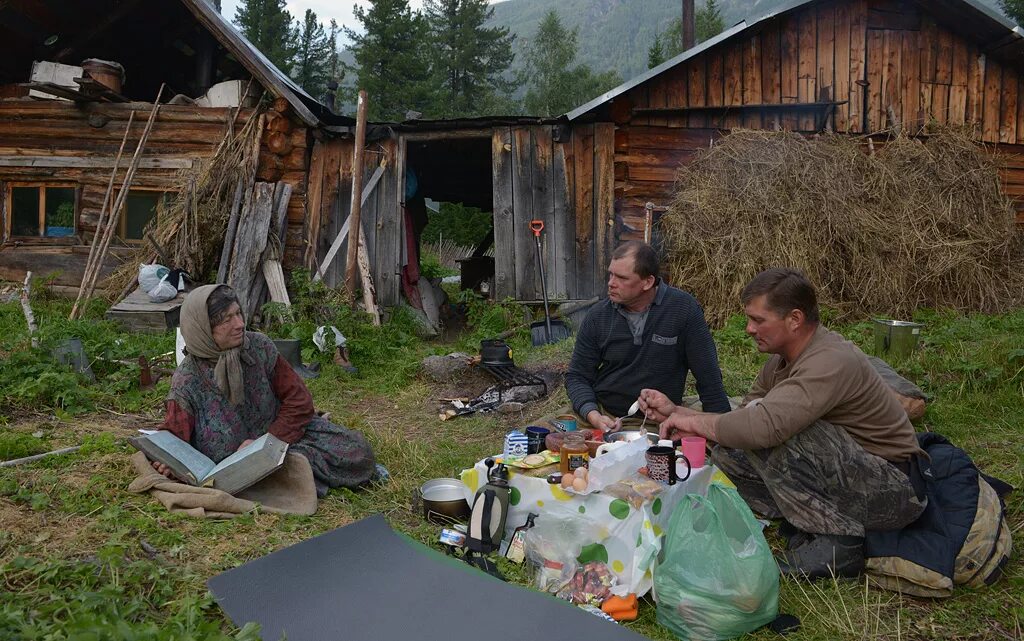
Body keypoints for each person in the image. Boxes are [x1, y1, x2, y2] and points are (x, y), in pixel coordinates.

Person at [641, 268, 926, 578]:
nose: (749, 329)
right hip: (849, 473)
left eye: (758, 320)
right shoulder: (780, 361)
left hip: (891, 488)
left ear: (794, 319)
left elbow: (763, 427)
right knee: (728, 452)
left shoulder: (830, 360)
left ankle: (840, 544)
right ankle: (799, 516)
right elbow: (743, 419)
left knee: (779, 431)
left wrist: (695, 422)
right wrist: (681, 413)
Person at [152, 284, 378, 497]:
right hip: (228, 465)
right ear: (202, 328)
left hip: (281, 441)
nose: (239, 324)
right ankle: (283, 476)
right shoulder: (188, 378)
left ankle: (282, 473)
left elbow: (299, 402)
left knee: (358, 453)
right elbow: (175, 433)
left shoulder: (259, 347)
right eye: (226, 320)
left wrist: (266, 442)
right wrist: (168, 460)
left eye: (238, 313)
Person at [565, 241, 730, 433]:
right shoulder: (598, 316)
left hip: (659, 418)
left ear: (648, 282)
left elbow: (708, 377)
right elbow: (577, 376)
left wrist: (723, 434)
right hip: (604, 413)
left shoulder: (683, 310)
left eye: (621, 277)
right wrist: (592, 414)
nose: (611, 283)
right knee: (540, 437)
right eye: (611, 274)